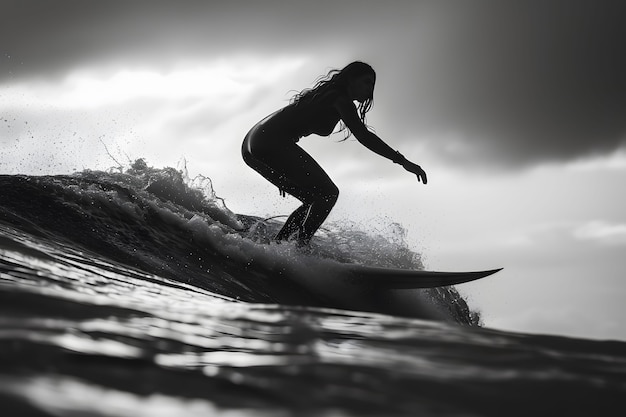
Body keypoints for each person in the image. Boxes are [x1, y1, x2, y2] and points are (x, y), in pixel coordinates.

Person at [242, 61, 427, 246]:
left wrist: (281, 165)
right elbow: (364, 136)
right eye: (366, 83)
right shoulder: (339, 98)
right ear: (351, 80)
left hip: (253, 144)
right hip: (269, 141)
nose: (370, 90)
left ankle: (278, 247)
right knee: (329, 194)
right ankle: (301, 247)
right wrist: (402, 161)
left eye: (372, 85)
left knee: (312, 200)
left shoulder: (328, 95)